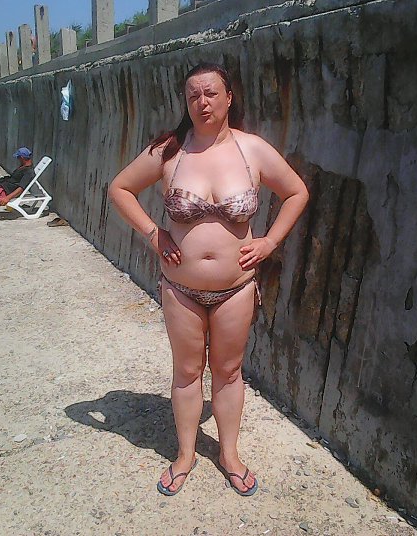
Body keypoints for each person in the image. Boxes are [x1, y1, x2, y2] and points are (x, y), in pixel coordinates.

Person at [109, 63, 309, 496]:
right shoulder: (169, 151)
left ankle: (229, 453)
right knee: (186, 372)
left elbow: (297, 192)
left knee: (229, 371)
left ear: (229, 97)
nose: (202, 102)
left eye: (211, 93)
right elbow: (120, 188)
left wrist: (270, 241)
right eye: (193, 95)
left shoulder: (252, 149)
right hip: (180, 288)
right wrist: (154, 233)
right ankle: (185, 454)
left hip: (236, 288)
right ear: (186, 102)